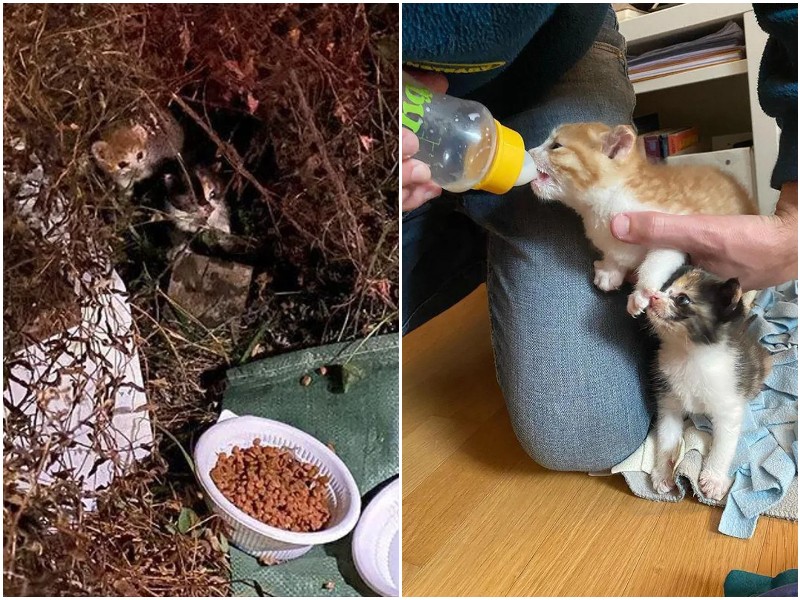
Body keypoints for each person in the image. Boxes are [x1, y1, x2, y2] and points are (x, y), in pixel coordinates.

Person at [402, 3, 797, 471]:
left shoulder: (617, 184)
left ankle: (490, 226)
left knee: (580, 432)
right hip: (425, 105)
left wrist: (794, 214)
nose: (538, 153)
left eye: (551, 147)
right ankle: (480, 221)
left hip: (554, 48)